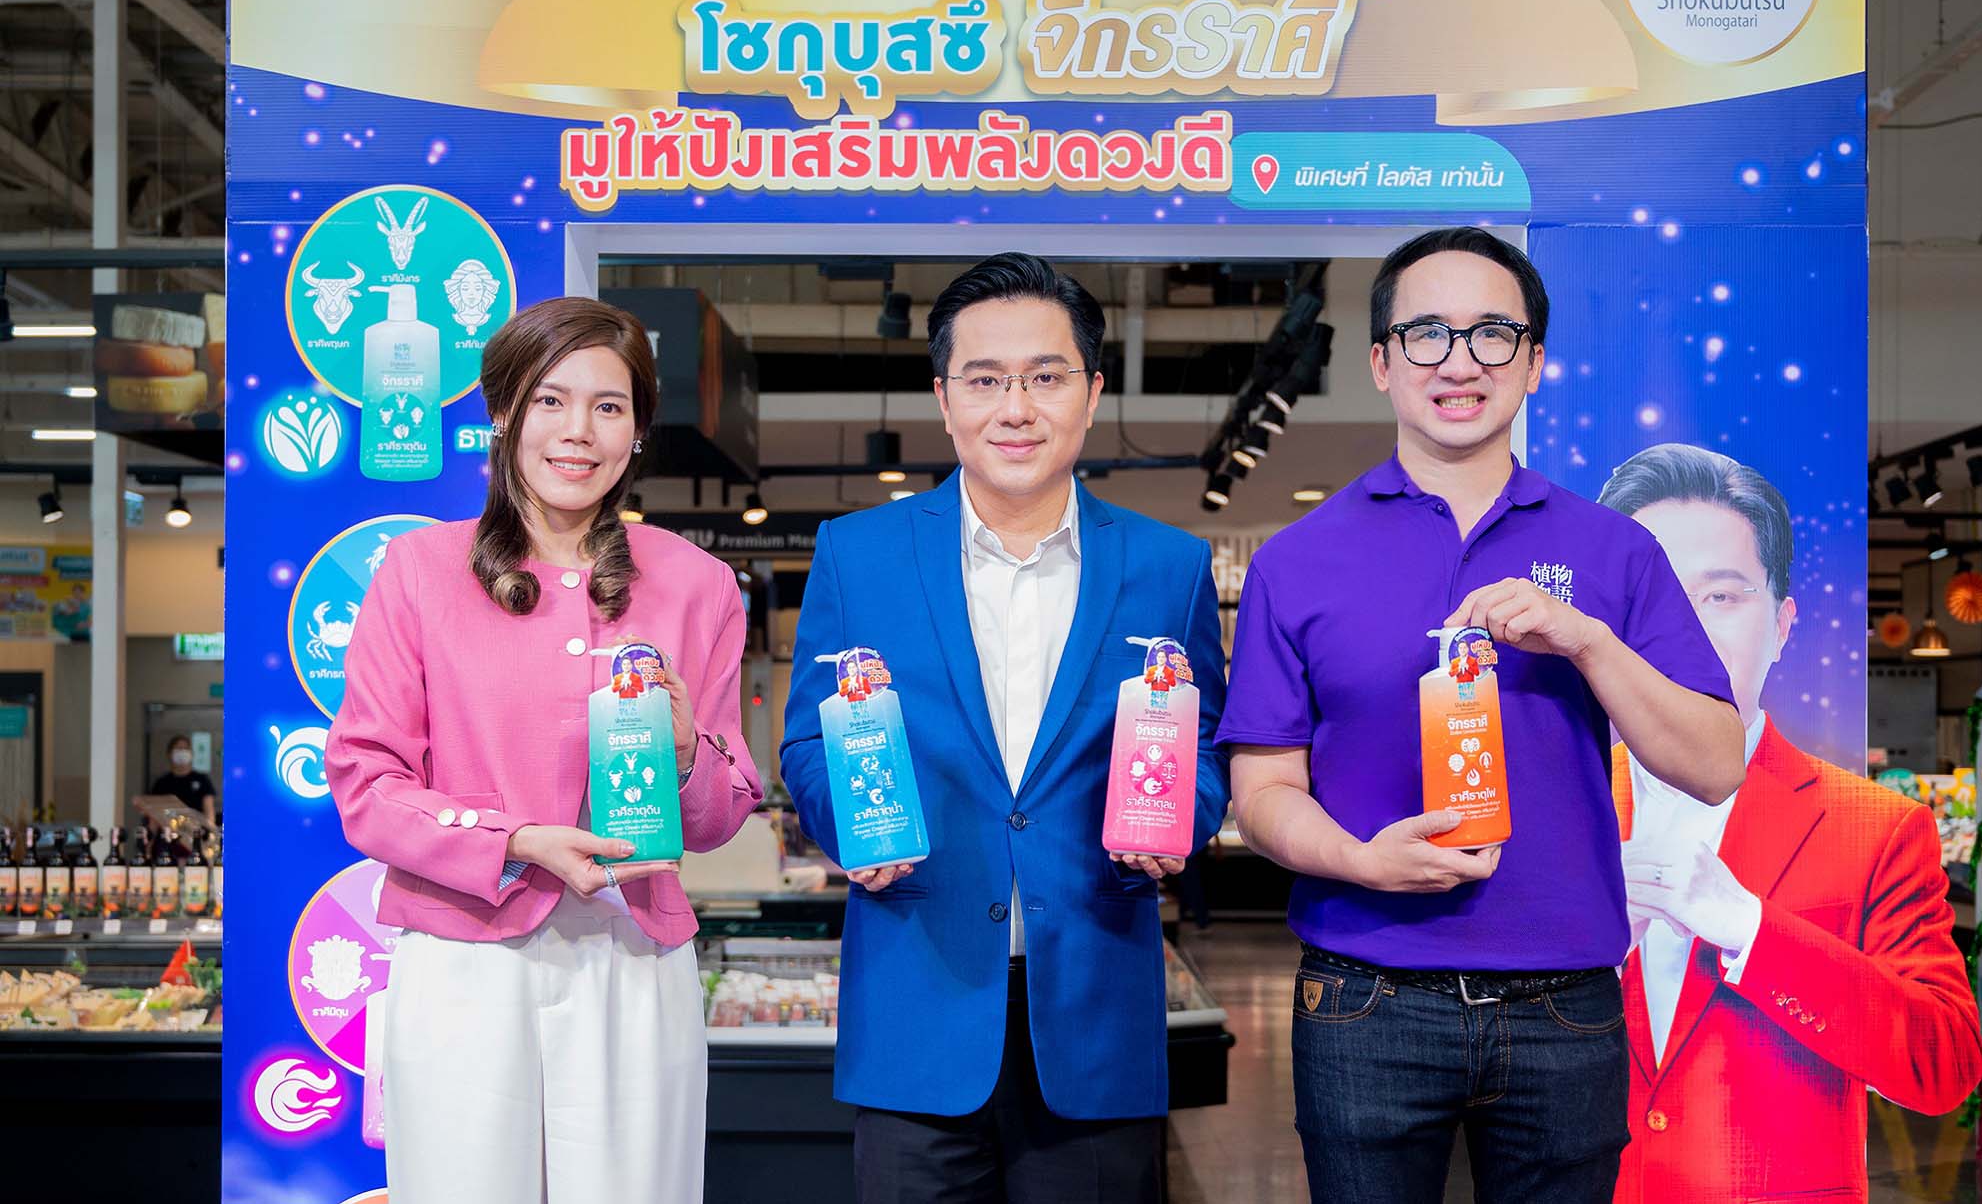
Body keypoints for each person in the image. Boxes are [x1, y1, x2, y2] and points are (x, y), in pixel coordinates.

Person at [1221, 227, 1746, 1204]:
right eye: (1426, 333)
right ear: (1381, 362)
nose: (1459, 361)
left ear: (1534, 362)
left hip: (1566, 1003)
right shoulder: (1297, 560)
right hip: (1365, 994)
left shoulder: (1614, 550)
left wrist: (1587, 641)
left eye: (1492, 334)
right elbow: (1261, 791)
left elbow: (1716, 763)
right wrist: (1360, 859)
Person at [779, 252, 1229, 1204]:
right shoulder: (859, 554)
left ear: (1092, 393)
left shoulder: (1170, 566)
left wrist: (1181, 818)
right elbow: (810, 742)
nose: (1015, 408)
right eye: (984, 380)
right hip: (918, 1003)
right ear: (945, 399)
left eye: (1045, 377)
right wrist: (850, 826)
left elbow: (1206, 743)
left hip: (1096, 1010)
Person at [325, 297, 762, 1204]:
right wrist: (515, 841)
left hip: (633, 959)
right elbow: (367, 780)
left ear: (638, 430)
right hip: (463, 958)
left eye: (609, 406)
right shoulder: (419, 571)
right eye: (550, 400)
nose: (578, 431)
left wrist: (688, 750)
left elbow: (722, 813)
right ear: (503, 412)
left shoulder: (699, 584)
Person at [1598, 443, 1982, 1203]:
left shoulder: (1876, 827)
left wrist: (1752, 930)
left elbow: (1943, 1064)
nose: (1684, 630)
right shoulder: (1551, 809)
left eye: (1721, 596)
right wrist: (1592, 960)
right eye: (1652, 594)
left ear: (1781, 625)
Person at [149, 735, 217, 822]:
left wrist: (210, 829)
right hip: (169, 828)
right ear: (169, 754)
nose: (182, 752)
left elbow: (209, 812)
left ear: (191, 753)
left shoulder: (202, 780)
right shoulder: (161, 783)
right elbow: (154, 815)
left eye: (185, 748)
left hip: (196, 828)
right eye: (178, 749)